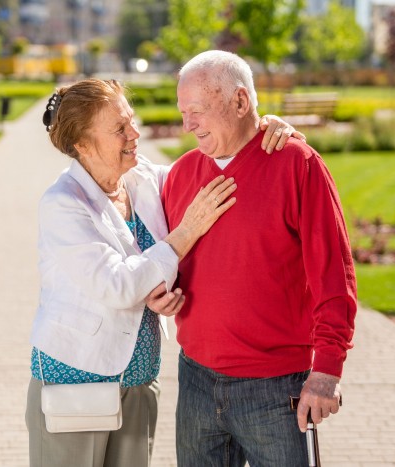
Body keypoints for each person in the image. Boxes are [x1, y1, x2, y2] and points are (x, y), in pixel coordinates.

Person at [25, 78, 299, 467]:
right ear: (82, 146)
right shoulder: (62, 204)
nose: (135, 134)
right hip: (76, 378)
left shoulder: (143, 179)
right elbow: (117, 284)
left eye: (131, 121)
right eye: (119, 129)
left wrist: (260, 129)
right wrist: (186, 231)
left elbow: (214, 169)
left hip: (138, 381)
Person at [161, 50, 357, 466]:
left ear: (240, 102)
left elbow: (334, 278)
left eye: (197, 110)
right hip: (196, 382)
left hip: (276, 389)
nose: (187, 124)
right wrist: (158, 293)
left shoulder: (297, 165)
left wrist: (326, 371)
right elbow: (162, 261)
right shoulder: (179, 174)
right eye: (182, 112)